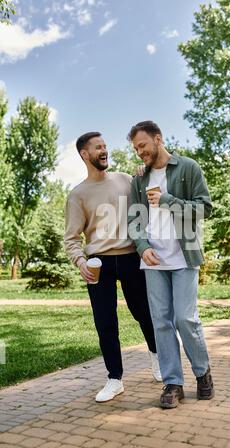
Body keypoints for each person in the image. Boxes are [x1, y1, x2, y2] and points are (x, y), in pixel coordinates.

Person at [64, 131, 161, 403]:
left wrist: (146, 171)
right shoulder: (77, 195)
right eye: (98, 148)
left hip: (131, 256)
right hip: (99, 263)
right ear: (85, 154)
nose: (104, 150)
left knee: (144, 313)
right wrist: (80, 261)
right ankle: (115, 378)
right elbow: (71, 238)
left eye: (105, 146)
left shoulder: (125, 180)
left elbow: (150, 192)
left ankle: (157, 359)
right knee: (105, 323)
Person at [128, 121, 214, 409]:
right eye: (135, 148)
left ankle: (202, 374)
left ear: (158, 139)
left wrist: (167, 200)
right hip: (154, 261)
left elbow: (204, 209)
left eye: (143, 145)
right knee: (161, 322)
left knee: (185, 319)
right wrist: (142, 247)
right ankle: (172, 383)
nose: (140, 152)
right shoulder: (139, 179)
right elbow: (134, 221)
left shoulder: (188, 167)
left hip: (184, 257)